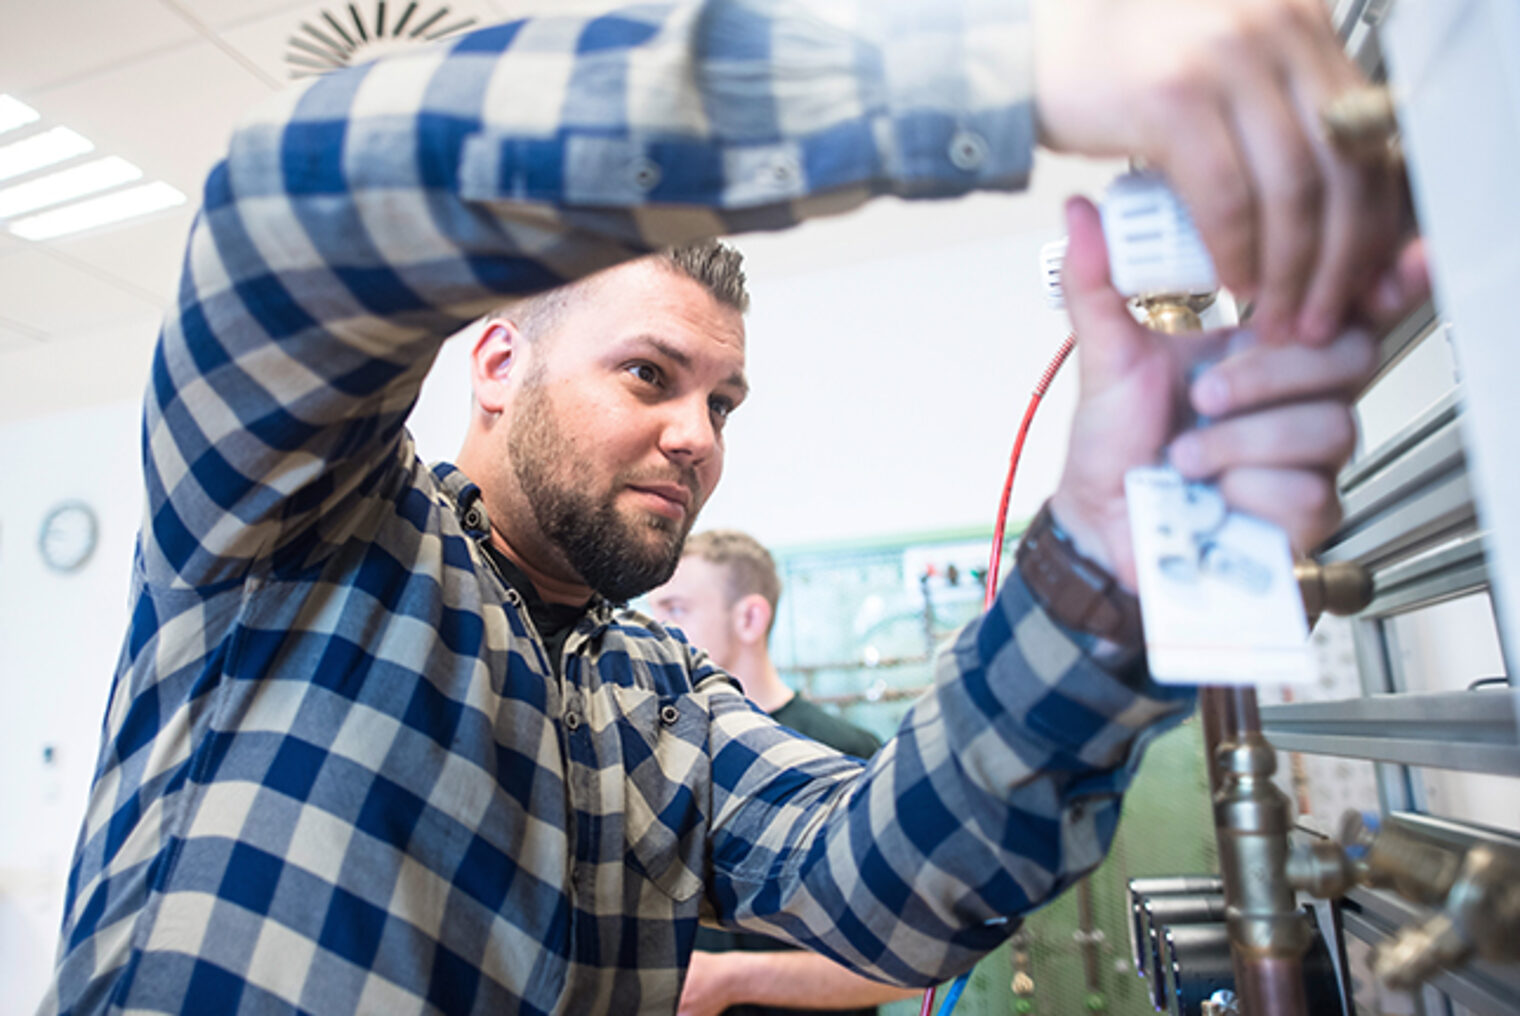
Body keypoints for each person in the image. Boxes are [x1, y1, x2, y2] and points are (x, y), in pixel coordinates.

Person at [42, 0, 1424, 1013]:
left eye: (725, 402)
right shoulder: (304, 525)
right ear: (500, 358)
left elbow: (892, 880)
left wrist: (1101, 570)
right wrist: (1005, 74)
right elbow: (293, 207)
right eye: (649, 373)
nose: (696, 437)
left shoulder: (660, 697)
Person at [649, 530, 911, 1016]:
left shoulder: (845, 754)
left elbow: (904, 962)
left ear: (750, 618)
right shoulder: (666, 751)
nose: (656, 629)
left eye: (676, 609)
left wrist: (732, 980)